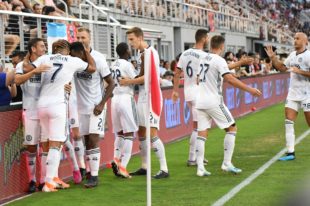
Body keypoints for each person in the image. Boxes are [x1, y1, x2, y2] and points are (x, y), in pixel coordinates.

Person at [24, 39, 96, 192]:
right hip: (58, 105)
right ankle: (49, 182)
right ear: (67, 50)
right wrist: (87, 52)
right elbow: (92, 68)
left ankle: (50, 178)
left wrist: (28, 61)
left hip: (41, 105)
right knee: (56, 144)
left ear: (53, 48)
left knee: (45, 145)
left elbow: (26, 68)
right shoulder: (72, 60)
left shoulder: (45, 58)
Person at [195, 35, 261, 176]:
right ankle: (226, 163)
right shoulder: (219, 60)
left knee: (201, 133)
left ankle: (200, 168)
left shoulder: (203, 58)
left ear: (211, 44)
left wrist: (239, 63)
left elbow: (198, 78)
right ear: (222, 46)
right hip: (213, 101)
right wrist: (250, 90)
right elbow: (229, 79)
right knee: (232, 128)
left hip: (200, 101)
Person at [119, 27, 169, 179]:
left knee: (152, 133)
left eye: (132, 39)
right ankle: (145, 166)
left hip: (151, 98)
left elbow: (148, 78)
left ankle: (164, 168)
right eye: (129, 40)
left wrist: (128, 81)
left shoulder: (150, 53)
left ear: (140, 37)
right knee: (141, 132)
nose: (130, 43)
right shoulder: (142, 54)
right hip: (142, 96)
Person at [76, 28, 115, 187]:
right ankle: (90, 171)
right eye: (78, 37)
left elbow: (112, 83)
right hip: (81, 106)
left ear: (89, 39)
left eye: (83, 37)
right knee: (86, 141)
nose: (81, 39)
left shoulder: (98, 58)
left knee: (93, 139)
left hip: (95, 106)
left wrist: (101, 104)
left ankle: (94, 176)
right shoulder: (74, 58)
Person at [265, 32, 310, 161]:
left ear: (305, 41)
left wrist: (299, 71)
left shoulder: (308, 55)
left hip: (307, 95)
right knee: (288, 122)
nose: (295, 41)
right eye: (294, 38)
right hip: (293, 94)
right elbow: (282, 68)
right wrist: (273, 57)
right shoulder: (292, 55)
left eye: (297, 39)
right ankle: (290, 152)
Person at [15, 38, 49, 192]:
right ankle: (31, 180)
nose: (44, 48)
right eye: (42, 46)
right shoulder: (21, 65)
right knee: (31, 147)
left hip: (45, 110)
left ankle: (43, 181)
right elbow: (17, 80)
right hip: (29, 110)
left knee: (45, 146)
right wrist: (34, 71)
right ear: (33, 49)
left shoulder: (48, 64)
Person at [172, 29, 209, 166]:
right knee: (198, 127)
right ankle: (192, 158)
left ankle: (199, 155)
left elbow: (176, 74)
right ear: (204, 39)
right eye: (208, 38)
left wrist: (175, 91)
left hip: (188, 92)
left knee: (198, 125)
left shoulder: (185, 53)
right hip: (199, 92)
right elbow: (202, 77)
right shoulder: (204, 56)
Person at [110, 42, 138, 178]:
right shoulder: (128, 65)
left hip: (114, 98)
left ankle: (116, 158)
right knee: (129, 133)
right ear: (127, 51)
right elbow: (136, 80)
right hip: (126, 97)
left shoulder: (113, 64)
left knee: (120, 132)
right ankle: (123, 167)